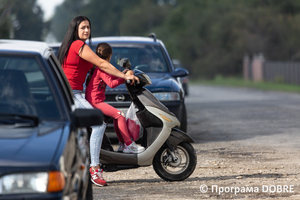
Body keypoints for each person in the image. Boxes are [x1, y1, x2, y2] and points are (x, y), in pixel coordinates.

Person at [57, 15, 139, 187]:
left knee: (83, 131)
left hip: (74, 93)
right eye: (83, 28)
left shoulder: (79, 47)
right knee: (98, 124)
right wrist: (124, 75)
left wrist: (124, 73)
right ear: (75, 30)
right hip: (71, 94)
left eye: (88, 27)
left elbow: (101, 67)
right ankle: (95, 169)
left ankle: (88, 164)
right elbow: (101, 63)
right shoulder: (78, 45)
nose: (86, 30)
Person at [85, 42, 145, 154]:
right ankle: (129, 145)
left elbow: (113, 75)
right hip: (95, 102)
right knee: (120, 115)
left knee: (117, 117)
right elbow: (112, 83)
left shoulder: (100, 67)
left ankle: (122, 145)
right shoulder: (101, 69)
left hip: (94, 101)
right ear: (109, 56)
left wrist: (124, 73)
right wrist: (125, 77)